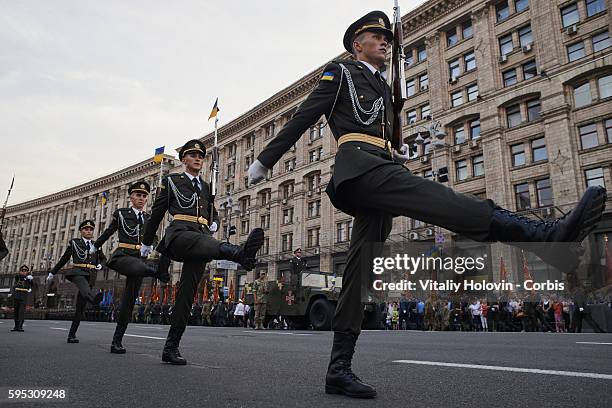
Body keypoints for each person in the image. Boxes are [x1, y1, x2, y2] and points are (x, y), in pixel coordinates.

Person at [247, 10, 606, 397]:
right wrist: (265, 160)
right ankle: (543, 235)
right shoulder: (342, 74)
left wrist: (399, 151)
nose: (385, 42)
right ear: (357, 45)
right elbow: (306, 115)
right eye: (376, 36)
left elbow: (382, 136)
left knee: (358, 270)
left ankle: (339, 367)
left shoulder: (384, 89)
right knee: (443, 200)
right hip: (358, 171)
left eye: (388, 37)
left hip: (379, 168)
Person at [141, 139, 265, 364]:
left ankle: (171, 347)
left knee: (186, 296)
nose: (198, 159)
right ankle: (239, 253)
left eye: (201, 156)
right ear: (184, 160)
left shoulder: (206, 186)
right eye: (192, 155)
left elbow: (211, 211)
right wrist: (147, 242)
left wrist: (215, 221)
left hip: (200, 238)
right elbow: (157, 212)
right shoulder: (171, 181)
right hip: (179, 234)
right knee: (204, 242)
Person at [93, 180, 171, 354]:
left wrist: (159, 248)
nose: (141, 198)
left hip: (139, 261)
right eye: (138, 195)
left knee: (128, 303)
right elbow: (109, 232)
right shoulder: (121, 213)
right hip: (123, 256)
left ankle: (117, 341)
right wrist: (95, 245)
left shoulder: (149, 218)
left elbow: (153, 238)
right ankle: (157, 273)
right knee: (136, 266)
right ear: (131, 197)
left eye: (144, 196)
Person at [48, 220, 105, 343]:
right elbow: (64, 259)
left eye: (90, 230)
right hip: (78, 272)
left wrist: (101, 265)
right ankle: (94, 299)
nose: (89, 231)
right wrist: (53, 272)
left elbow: (103, 259)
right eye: (86, 229)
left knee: (80, 307)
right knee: (85, 289)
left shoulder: (96, 245)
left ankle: (71, 335)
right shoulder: (75, 243)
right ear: (81, 231)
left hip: (91, 275)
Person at [10, 265, 33, 332]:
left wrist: (31, 280)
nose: (23, 272)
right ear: (20, 271)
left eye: (25, 270)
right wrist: (26, 277)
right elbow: (19, 278)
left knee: (21, 312)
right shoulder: (18, 277)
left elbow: (31, 285)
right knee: (16, 312)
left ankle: (20, 326)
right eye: (22, 270)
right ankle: (16, 326)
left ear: (27, 272)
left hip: (23, 296)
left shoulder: (29, 278)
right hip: (16, 295)